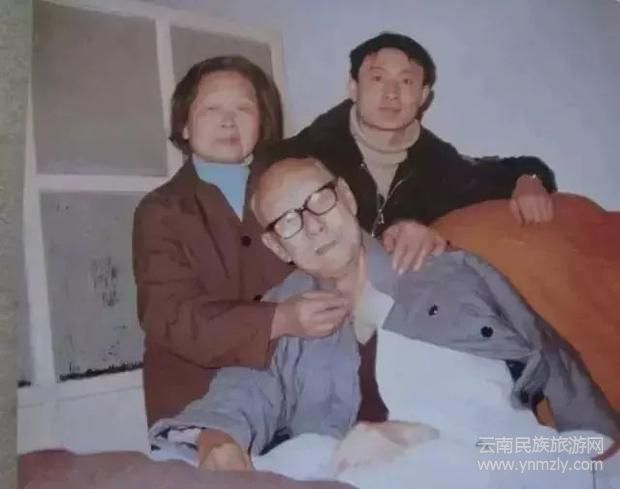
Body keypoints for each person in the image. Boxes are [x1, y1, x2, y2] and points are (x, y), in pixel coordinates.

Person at [148, 156, 619, 488]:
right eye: (288, 222)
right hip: (340, 470)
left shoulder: (444, 272)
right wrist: (217, 436)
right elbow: (245, 388)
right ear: (276, 246)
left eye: (319, 201)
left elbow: (548, 358)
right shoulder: (282, 308)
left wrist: (414, 436)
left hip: (484, 457)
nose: (313, 225)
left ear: (346, 198)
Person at [132, 56, 352, 426]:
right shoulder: (160, 210)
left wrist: (404, 237)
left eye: (244, 109)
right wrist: (279, 319)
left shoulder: (290, 185)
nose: (228, 121)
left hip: (296, 396)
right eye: (211, 109)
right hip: (196, 405)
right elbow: (169, 315)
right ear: (184, 124)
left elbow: (344, 251)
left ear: (261, 122)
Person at [256, 32, 557, 272]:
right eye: (377, 78)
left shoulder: (440, 165)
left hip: (400, 305)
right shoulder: (296, 158)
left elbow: (503, 171)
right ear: (353, 87)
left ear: (423, 96)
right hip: (318, 302)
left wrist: (529, 179)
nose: (392, 93)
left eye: (406, 81)